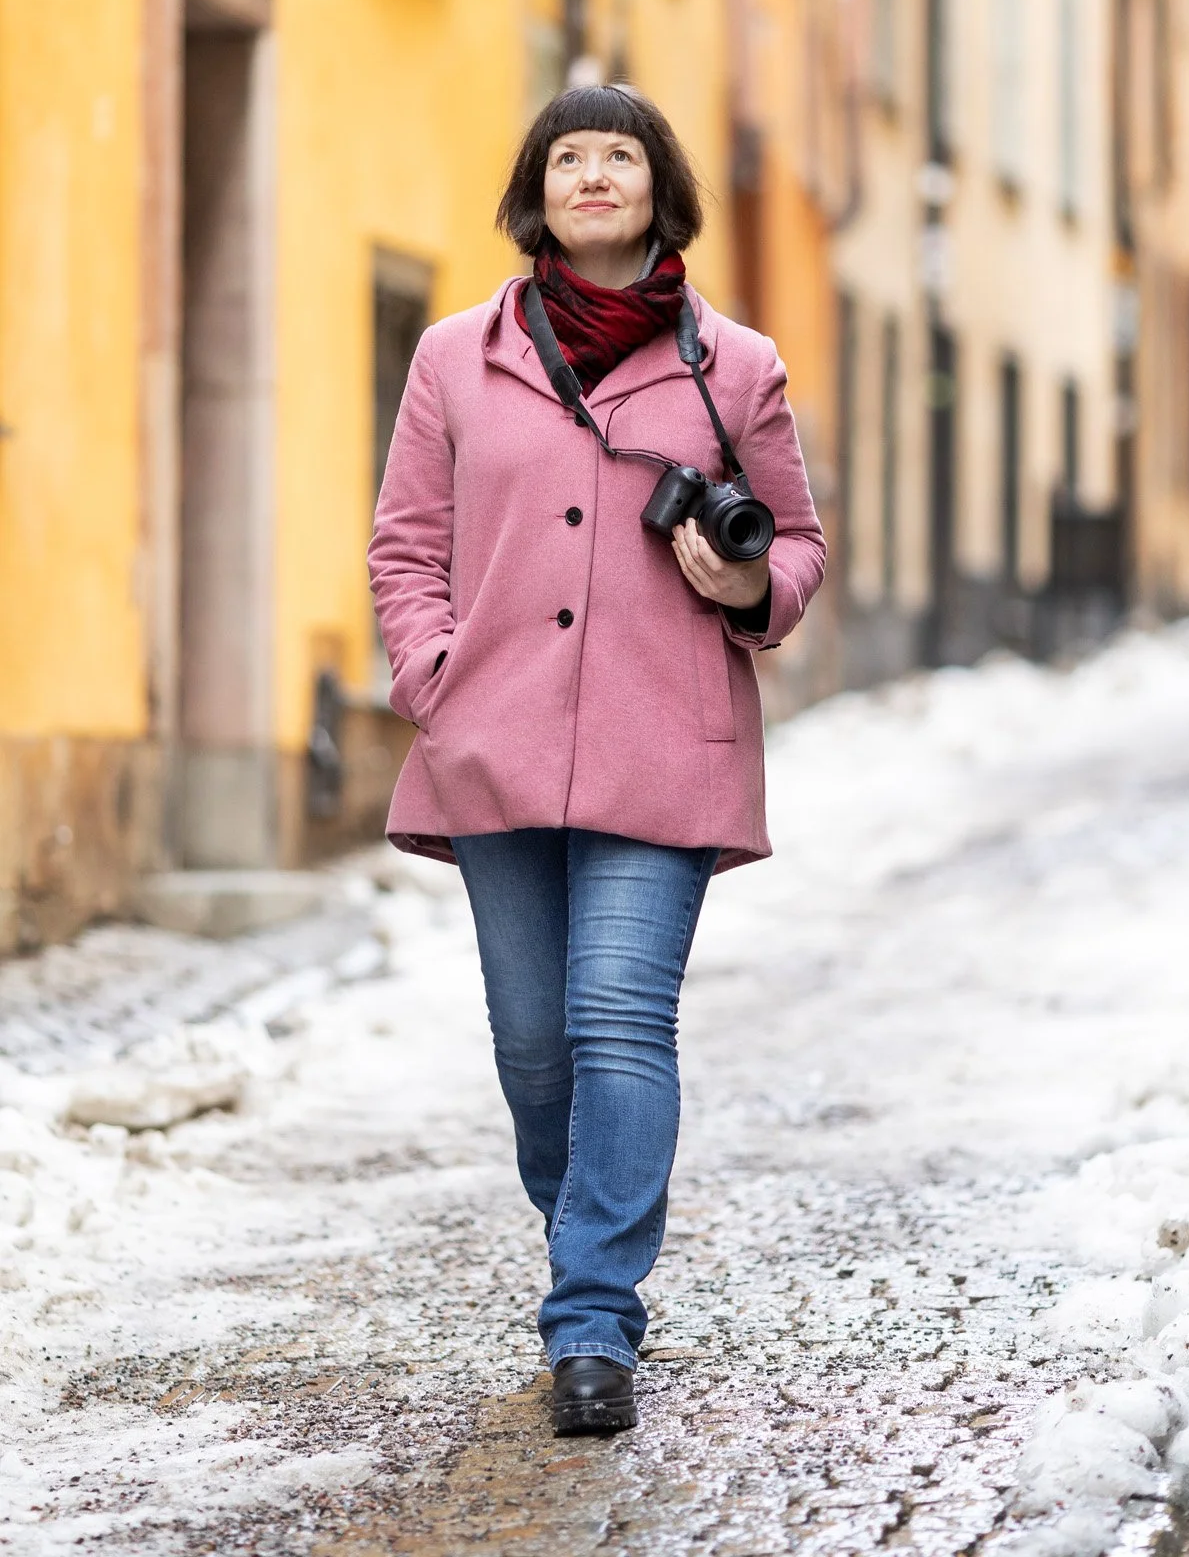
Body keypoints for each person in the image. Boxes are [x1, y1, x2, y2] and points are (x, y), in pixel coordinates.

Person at [369, 84, 826, 1435]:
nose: (591, 174)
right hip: (493, 741)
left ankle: (592, 1321)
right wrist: (430, 674)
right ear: (537, 189)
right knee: (533, 1051)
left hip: (660, 744)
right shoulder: (458, 355)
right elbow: (406, 541)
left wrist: (743, 593)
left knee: (619, 1020)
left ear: (656, 188)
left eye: (617, 155)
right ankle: (582, 1232)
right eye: (567, 156)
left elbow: (796, 542)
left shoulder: (731, 366)